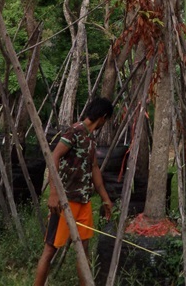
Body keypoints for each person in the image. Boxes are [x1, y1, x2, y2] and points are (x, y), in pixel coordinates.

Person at [34, 97, 114, 286]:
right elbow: (55, 155)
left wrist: (105, 199)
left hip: (84, 202)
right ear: (102, 117)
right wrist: (54, 193)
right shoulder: (75, 131)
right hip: (65, 201)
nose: (105, 123)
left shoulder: (91, 139)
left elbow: (94, 168)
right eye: (106, 120)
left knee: (83, 249)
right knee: (50, 250)